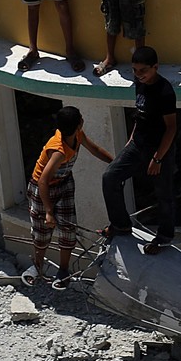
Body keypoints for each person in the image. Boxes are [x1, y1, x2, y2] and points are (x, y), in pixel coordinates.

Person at [26, 105, 113, 288]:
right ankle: (37, 266)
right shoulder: (58, 151)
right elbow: (43, 181)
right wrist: (49, 211)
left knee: (68, 229)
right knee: (42, 232)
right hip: (43, 190)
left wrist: (115, 162)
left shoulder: (77, 136)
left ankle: (63, 270)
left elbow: (95, 149)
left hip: (64, 184)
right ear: (79, 123)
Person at [101, 46, 176, 254]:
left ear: (155, 67)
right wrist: (131, 140)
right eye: (135, 70)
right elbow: (139, 115)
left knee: (164, 194)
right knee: (110, 177)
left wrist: (158, 158)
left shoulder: (165, 91)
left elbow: (171, 128)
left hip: (159, 149)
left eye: (143, 70)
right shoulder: (139, 84)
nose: (139, 74)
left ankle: (164, 237)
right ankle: (121, 224)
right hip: (138, 145)